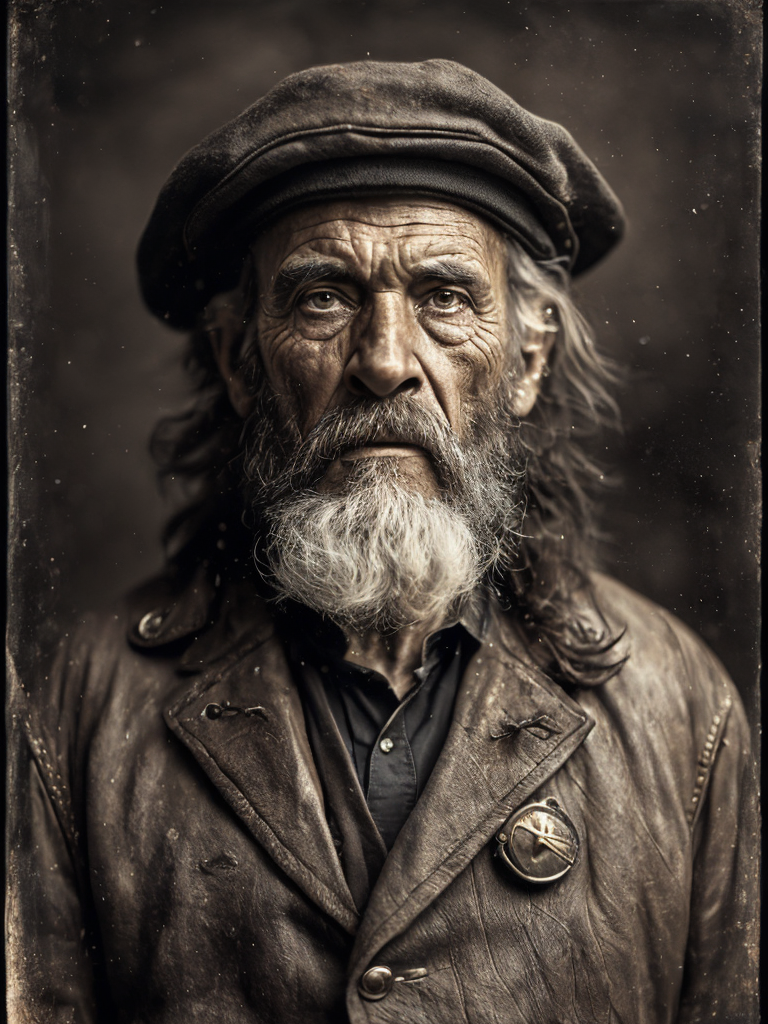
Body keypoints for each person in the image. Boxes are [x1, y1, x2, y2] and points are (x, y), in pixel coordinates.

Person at [9, 60, 756, 1024]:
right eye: (323, 298)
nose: (387, 362)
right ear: (241, 360)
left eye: (445, 297)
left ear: (527, 360)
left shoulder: (680, 709)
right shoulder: (78, 704)